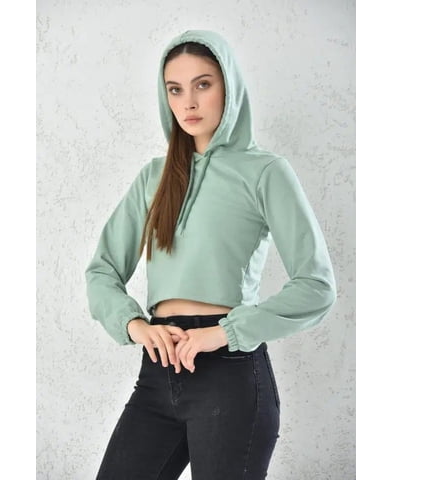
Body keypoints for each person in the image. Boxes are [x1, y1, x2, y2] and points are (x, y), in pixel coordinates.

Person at [85, 29, 337, 480]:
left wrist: (224, 332)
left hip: (230, 376)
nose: (189, 102)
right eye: (175, 89)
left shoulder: (265, 172)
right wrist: (136, 325)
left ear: (229, 86)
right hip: (158, 373)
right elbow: (102, 270)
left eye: (202, 84)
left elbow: (316, 286)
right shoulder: (154, 177)